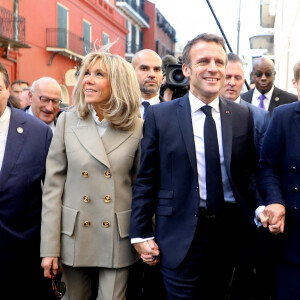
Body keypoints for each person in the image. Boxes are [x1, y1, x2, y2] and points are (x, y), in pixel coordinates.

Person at [130, 33, 266, 300]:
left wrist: (261, 207)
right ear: (186, 69)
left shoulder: (242, 116)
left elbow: (248, 173)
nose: (213, 68)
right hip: (178, 234)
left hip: (231, 236)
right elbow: (146, 179)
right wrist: (140, 233)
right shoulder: (161, 116)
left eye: (219, 61)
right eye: (204, 61)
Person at [40, 50, 143, 300]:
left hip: (117, 236)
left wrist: (145, 236)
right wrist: (49, 249)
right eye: (86, 73)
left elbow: (142, 189)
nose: (88, 79)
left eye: (99, 74)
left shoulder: (139, 127)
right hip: (75, 234)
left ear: (118, 83)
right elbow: (52, 191)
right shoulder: (67, 122)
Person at [0, 63, 53, 298]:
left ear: (7, 89)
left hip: (21, 255)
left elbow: (53, 195)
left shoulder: (38, 132)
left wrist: (52, 250)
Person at [258, 100, 300, 299]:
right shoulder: (284, 116)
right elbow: (267, 166)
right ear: (296, 82)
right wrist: (275, 200)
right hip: (293, 240)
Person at [220, 53, 270, 155]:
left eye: (237, 77)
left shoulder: (260, 117)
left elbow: (263, 161)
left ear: (243, 81)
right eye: (227, 77)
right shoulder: (205, 111)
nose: (232, 83)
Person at [132, 49, 164, 119]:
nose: (152, 74)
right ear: (132, 72)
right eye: (144, 69)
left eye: (157, 69)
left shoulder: (173, 113)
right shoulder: (118, 111)